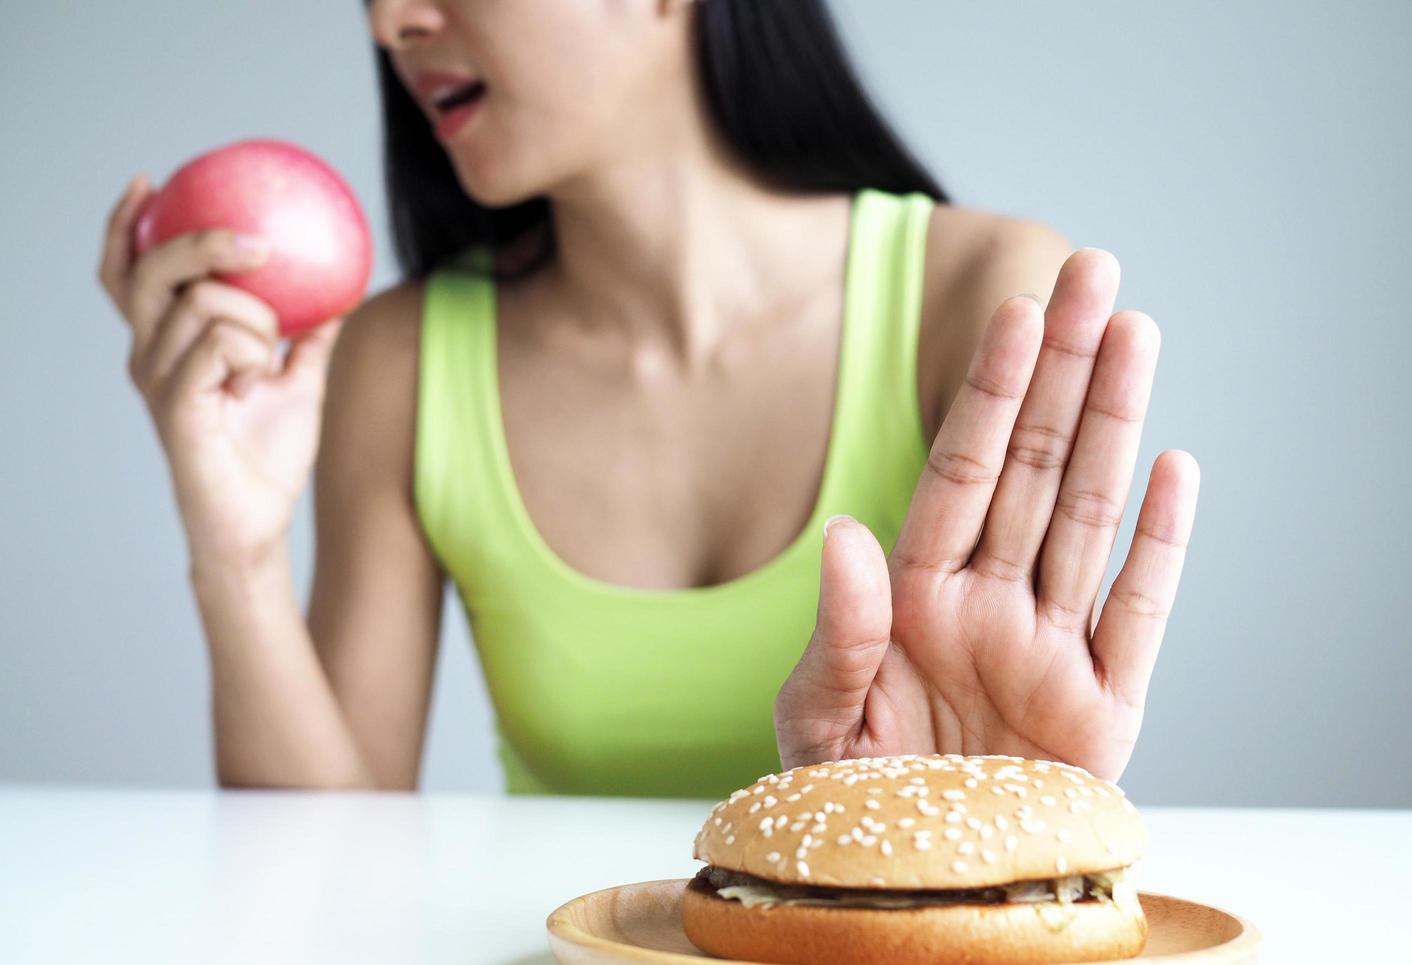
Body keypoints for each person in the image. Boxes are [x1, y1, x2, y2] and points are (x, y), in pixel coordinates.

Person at [95, 0, 1199, 797]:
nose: (390, 21)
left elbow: (1013, 776)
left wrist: (1017, 801)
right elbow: (324, 866)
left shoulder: (978, 297)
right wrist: (235, 545)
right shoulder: (400, 357)